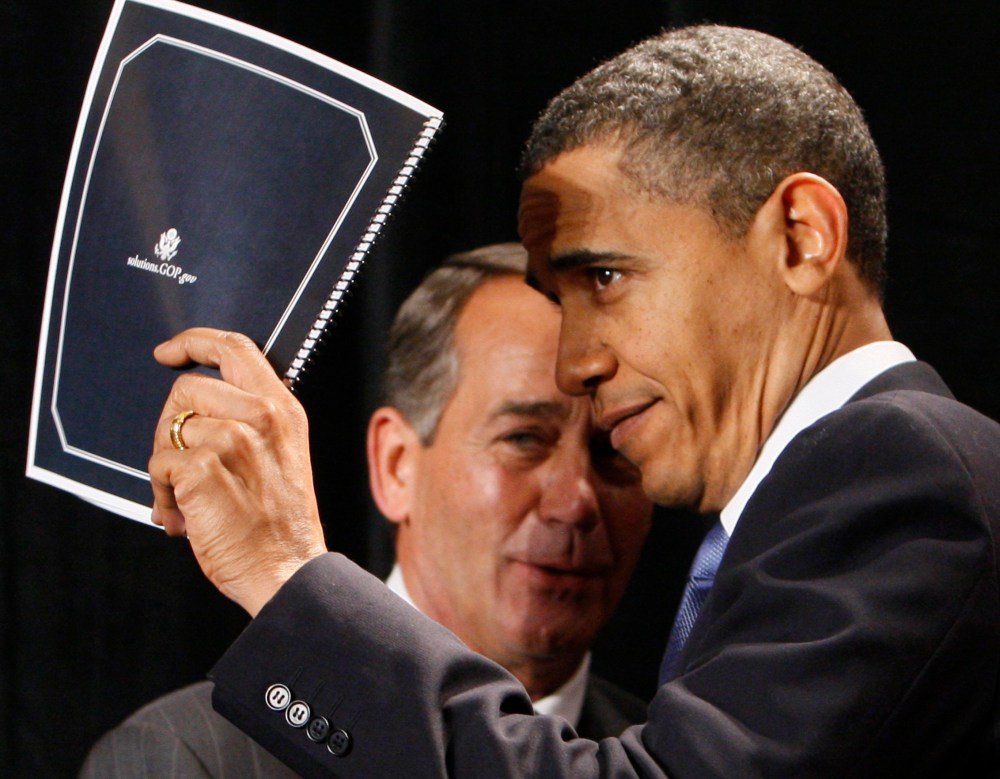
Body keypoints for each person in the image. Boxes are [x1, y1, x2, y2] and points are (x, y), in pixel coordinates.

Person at [146, 24, 1000, 778]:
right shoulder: (841, 492)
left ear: (801, 236)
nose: (574, 364)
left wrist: (290, 574)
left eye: (606, 276)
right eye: (562, 300)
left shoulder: (902, 471)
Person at [79, 244, 653, 777]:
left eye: (614, 449)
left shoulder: (669, 755)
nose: (578, 500)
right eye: (525, 439)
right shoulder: (188, 756)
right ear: (396, 465)